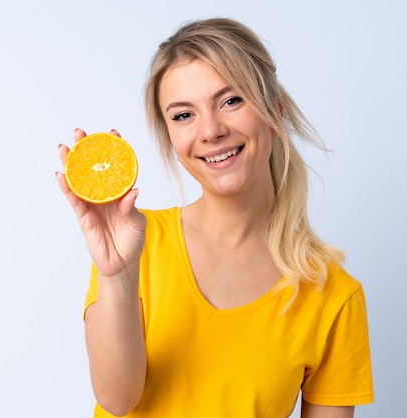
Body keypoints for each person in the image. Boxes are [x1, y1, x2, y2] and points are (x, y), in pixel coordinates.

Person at [56, 17, 373, 418]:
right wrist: (117, 275)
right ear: (171, 137)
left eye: (231, 100)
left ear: (273, 113)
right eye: (183, 115)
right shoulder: (136, 245)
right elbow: (117, 400)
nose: (210, 130)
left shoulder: (333, 294)